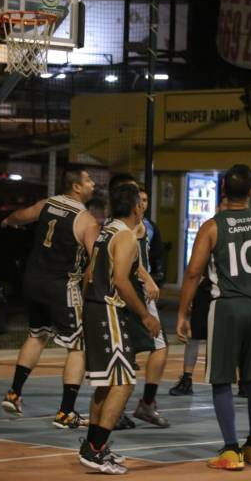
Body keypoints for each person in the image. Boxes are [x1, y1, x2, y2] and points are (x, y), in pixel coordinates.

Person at [176, 164, 251, 470]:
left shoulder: (212, 227)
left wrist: (183, 312)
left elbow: (193, 273)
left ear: (223, 189)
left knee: (222, 379)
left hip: (226, 308)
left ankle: (230, 450)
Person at [0, 168, 99, 429]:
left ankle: (14, 393)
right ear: (76, 187)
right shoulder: (86, 219)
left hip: (33, 281)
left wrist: (8, 221)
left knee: (36, 334)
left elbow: (21, 216)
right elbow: (96, 261)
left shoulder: (48, 204)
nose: (93, 184)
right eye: (89, 180)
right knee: (77, 346)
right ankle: (66, 412)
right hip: (60, 285)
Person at [78, 183, 161, 474]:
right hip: (108, 310)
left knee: (106, 383)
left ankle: (93, 445)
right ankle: (96, 449)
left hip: (95, 307)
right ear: (136, 206)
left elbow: (89, 273)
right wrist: (145, 316)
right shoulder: (125, 236)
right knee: (124, 382)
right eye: (141, 201)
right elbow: (122, 281)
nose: (143, 206)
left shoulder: (107, 229)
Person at [107, 175, 169, 429]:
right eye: (139, 200)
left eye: (145, 200)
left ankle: (145, 403)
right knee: (128, 354)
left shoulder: (139, 226)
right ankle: (122, 409)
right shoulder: (126, 229)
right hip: (128, 294)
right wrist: (149, 279)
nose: (142, 204)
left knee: (157, 348)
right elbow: (132, 265)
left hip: (133, 294)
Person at [170, 198, 228, 397]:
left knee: (228, 338)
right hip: (207, 290)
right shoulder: (210, 229)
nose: (226, 209)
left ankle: (238, 380)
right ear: (218, 207)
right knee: (194, 336)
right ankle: (187, 378)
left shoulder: (236, 231)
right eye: (223, 205)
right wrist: (187, 304)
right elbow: (194, 268)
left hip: (229, 293)